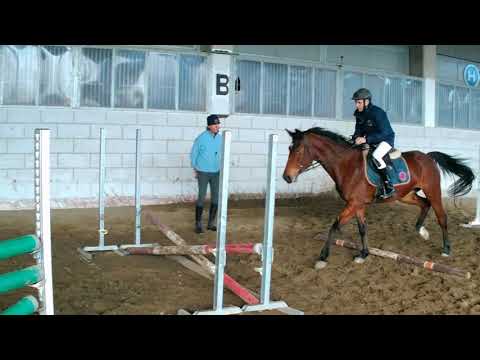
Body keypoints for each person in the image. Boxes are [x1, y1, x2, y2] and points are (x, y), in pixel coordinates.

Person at [351, 88, 396, 199]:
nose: (357, 105)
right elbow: (358, 130)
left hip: (386, 140)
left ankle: (388, 186)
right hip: (371, 141)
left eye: (359, 102)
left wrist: (366, 139)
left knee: (376, 156)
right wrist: (356, 137)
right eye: (356, 102)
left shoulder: (378, 113)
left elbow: (384, 133)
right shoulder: (359, 114)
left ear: (367, 101)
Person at [190, 114, 222, 233]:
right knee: (201, 196)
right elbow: (193, 154)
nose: (218, 126)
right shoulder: (201, 138)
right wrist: (195, 168)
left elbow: (222, 153)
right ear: (209, 126)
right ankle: (198, 224)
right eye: (215, 124)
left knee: (215, 197)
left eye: (218, 124)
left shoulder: (220, 138)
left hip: (216, 172)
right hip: (203, 172)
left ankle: (211, 223)